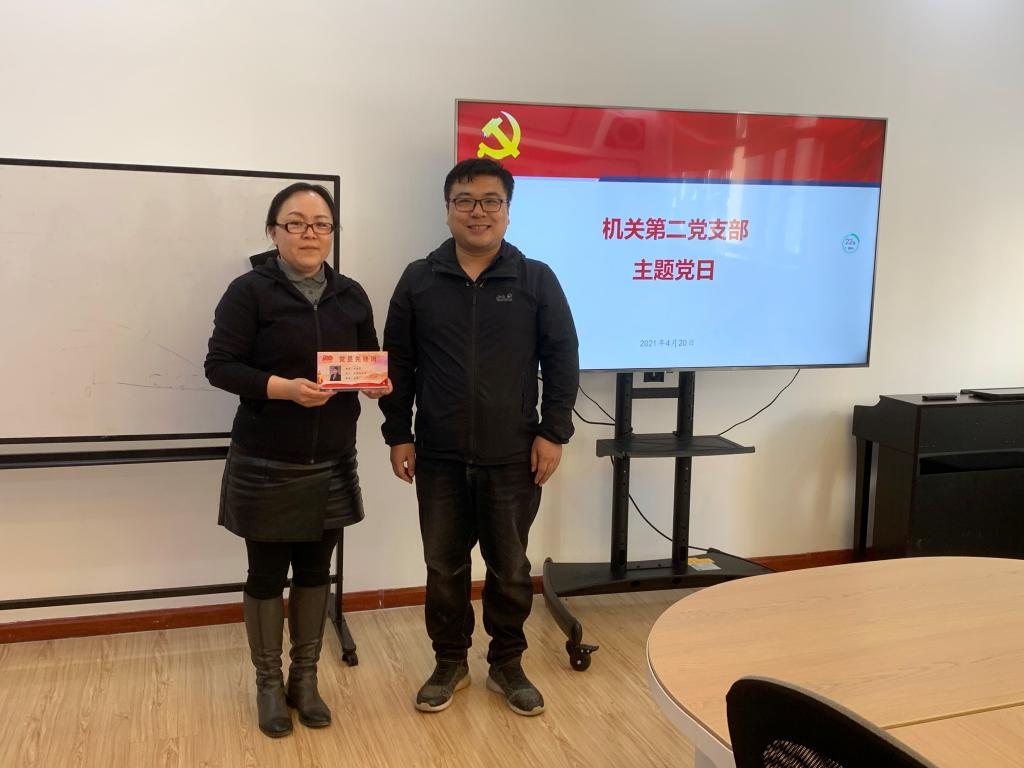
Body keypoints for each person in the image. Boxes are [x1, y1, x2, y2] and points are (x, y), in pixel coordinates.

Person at [380, 158, 579, 716]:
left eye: (492, 201)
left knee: (510, 569)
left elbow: (562, 358)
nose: (478, 211)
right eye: (465, 200)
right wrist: (398, 433)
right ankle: (449, 663)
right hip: (438, 454)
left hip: (514, 455)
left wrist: (553, 432)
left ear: (508, 212)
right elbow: (398, 361)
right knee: (443, 568)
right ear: (448, 210)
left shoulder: (535, 279)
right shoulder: (418, 279)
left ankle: (507, 664)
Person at [205, 183, 390, 738]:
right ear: (273, 231)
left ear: (332, 233)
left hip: (331, 458)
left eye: (321, 224)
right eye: (296, 223)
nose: (310, 233)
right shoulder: (249, 291)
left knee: (315, 571)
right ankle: (268, 683)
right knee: (265, 574)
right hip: (267, 459)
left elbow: (367, 360)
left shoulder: (351, 294)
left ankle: (304, 680)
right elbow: (220, 366)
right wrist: (281, 388)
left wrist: (375, 383)